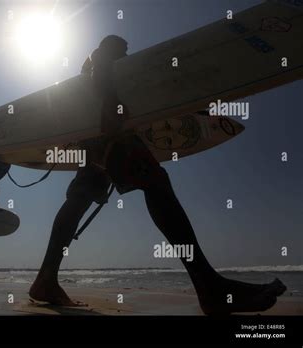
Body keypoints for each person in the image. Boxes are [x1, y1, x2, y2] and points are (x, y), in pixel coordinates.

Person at [29, 35, 286, 314]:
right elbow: (102, 66)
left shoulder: (90, 71)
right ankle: (209, 286)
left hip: (93, 133)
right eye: (122, 47)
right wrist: (112, 100)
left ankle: (46, 279)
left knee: (80, 197)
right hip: (114, 131)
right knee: (156, 184)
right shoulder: (103, 57)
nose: (126, 50)